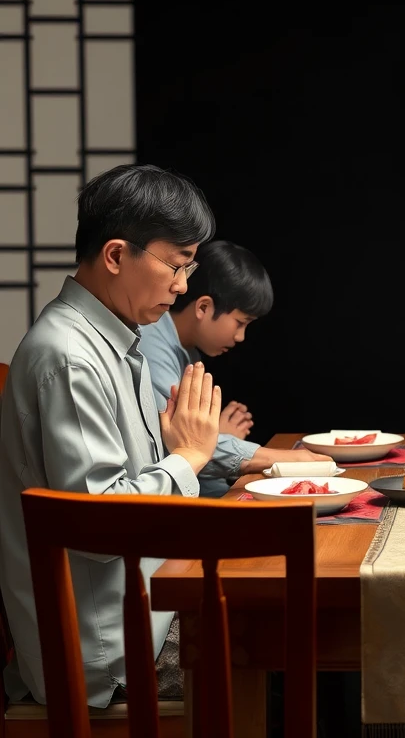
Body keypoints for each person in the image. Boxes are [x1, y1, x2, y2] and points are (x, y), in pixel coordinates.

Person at [0, 164, 221, 707]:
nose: (183, 285)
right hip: (109, 652)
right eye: (175, 265)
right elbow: (100, 527)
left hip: (134, 607)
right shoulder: (71, 355)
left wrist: (172, 453)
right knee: (275, 654)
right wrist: (187, 459)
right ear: (117, 255)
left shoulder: (113, 339)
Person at [139, 239, 330, 497]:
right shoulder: (152, 343)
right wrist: (279, 457)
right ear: (203, 307)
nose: (241, 337)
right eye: (241, 322)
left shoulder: (185, 349)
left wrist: (215, 436)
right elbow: (179, 444)